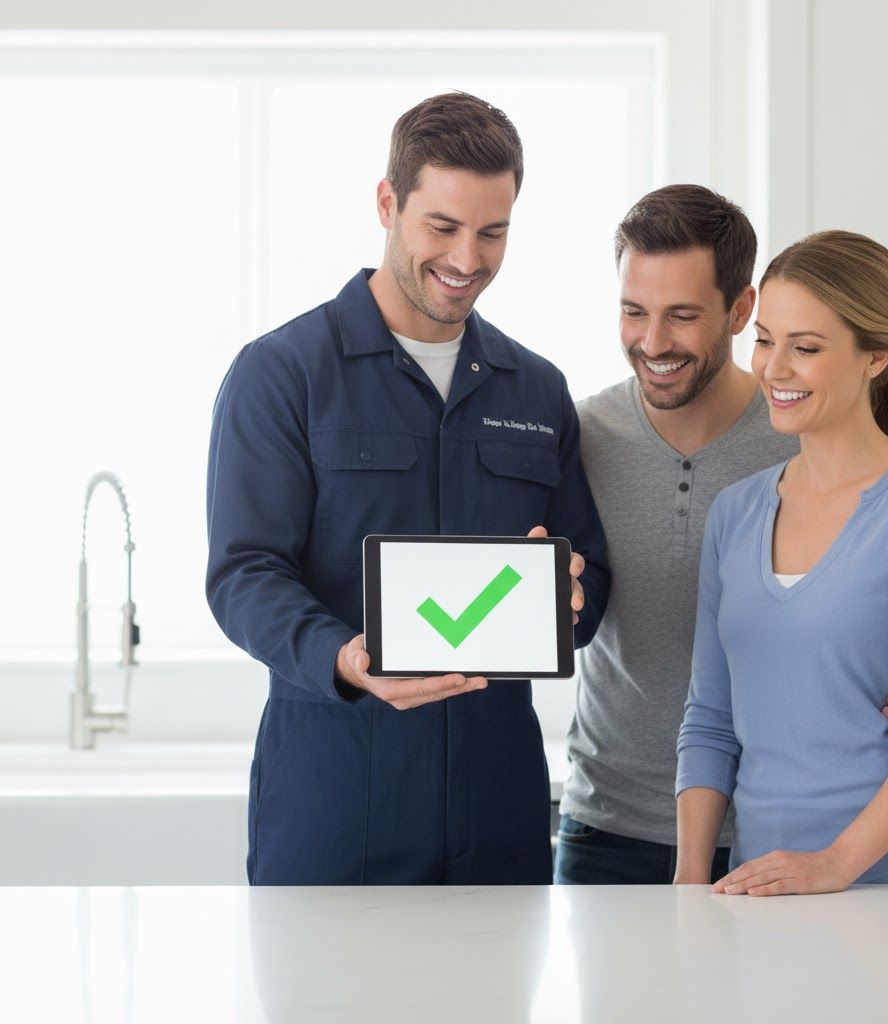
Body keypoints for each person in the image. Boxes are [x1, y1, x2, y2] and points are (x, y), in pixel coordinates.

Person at [206, 92, 610, 886]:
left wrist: (568, 596)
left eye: (493, 232)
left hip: (498, 804)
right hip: (335, 786)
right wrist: (348, 659)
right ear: (388, 204)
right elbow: (244, 574)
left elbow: (589, 583)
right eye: (443, 227)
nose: (468, 258)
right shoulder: (283, 374)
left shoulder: (535, 389)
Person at [555, 187, 888, 886]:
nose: (654, 342)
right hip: (605, 824)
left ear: (741, 310)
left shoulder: (809, 432)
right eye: (634, 312)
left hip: (783, 832)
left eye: (683, 316)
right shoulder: (581, 438)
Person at [675, 230, 888, 892]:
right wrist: (688, 881)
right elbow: (710, 719)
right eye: (765, 339)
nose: (774, 367)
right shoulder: (734, 514)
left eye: (807, 348)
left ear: (876, 356)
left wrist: (834, 865)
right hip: (759, 885)